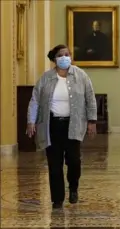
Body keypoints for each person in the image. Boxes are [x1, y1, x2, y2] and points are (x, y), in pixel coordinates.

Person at [26, 44, 97, 209]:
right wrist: (31, 121)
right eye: (61, 55)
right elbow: (35, 99)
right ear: (54, 59)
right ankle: (57, 199)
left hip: (73, 124)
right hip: (52, 126)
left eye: (67, 54)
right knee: (54, 163)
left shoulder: (81, 76)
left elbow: (90, 97)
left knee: (74, 161)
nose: (65, 57)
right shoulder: (46, 78)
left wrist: (92, 121)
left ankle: (73, 187)